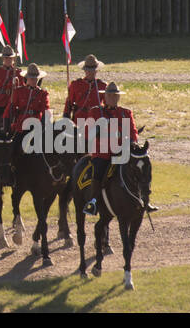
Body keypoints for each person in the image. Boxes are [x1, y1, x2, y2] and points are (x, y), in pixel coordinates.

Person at [82, 82, 156, 215]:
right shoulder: (95, 112)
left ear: (118, 97)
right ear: (104, 97)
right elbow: (87, 134)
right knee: (98, 172)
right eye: (109, 95)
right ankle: (93, 203)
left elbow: (133, 132)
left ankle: (145, 199)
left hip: (122, 152)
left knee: (142, 168)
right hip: (103, 153)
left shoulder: (126, 113)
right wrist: (97, 129)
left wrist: (132, 142)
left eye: (115, 95)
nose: (112, 98)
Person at [64, 54, 106, 129]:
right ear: (84, 70)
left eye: (93, 70)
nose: (90, 72)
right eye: (88, 70)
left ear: (97, 70)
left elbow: (107, 105)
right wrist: (66, 117)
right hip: (79, 119)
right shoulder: (76, 84)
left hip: (96, 120)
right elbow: (69, 103)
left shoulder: (102, 86)